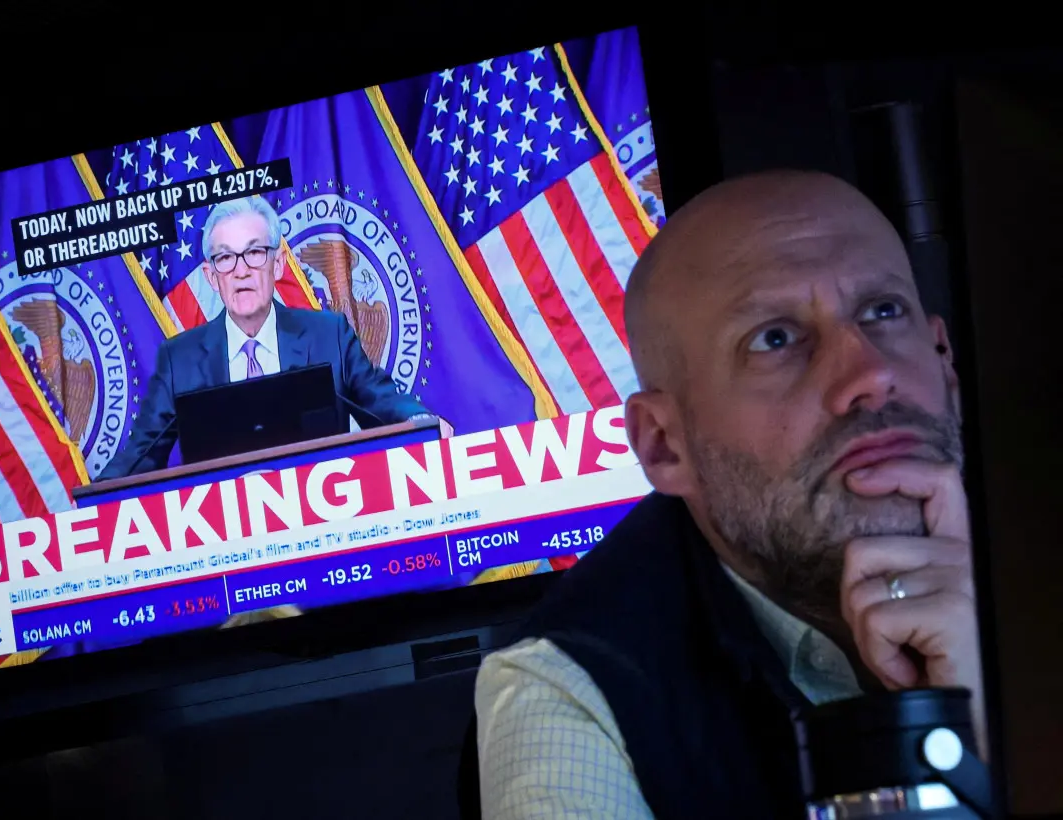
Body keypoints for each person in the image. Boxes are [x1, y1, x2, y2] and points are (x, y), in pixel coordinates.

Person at [473, 170, 984, 819]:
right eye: (775, 339)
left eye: (883, 311)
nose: (870, 374)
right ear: (664, 444)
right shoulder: (576, 689)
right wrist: (971, 756)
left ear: (944, 360)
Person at [99, 195, 434, 479]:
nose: (241, 270)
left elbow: (381, 401)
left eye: (254, 252)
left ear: (278, 265)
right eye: (226, 257)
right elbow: (140, 456)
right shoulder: (179, 361)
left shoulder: (327, 334)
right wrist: (87, 503)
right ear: (211, 276)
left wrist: (421, 421)